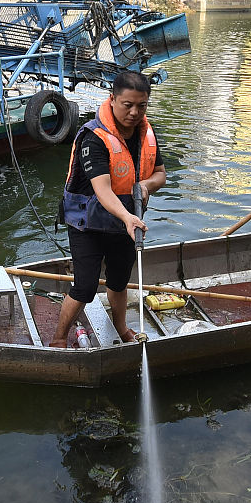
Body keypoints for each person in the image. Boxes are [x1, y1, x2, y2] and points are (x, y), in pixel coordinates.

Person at [50, 71, 167, 348]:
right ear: (112, 99)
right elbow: (102, 191)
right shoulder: (94, 138)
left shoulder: (146, 133)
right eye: (128, 105)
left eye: (141, 105)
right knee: (85, 287)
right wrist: (127, 217)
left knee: (118, 282)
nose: (134, 112)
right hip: (87, 224)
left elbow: (161, 174)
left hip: (126, 223)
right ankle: (59, 338)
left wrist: (146, 185)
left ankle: (121, 327)